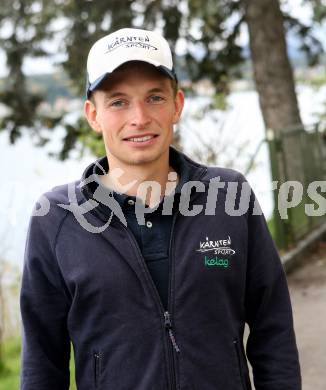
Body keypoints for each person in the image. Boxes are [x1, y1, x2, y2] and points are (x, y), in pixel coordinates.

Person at [20, 27, 301, 390]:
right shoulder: (56, 218)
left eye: (154, 97)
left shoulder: (229, 195)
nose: (139, 117)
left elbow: (273, 327)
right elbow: (42, 367)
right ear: (93, 114)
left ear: (177, 105)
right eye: (118, 101)